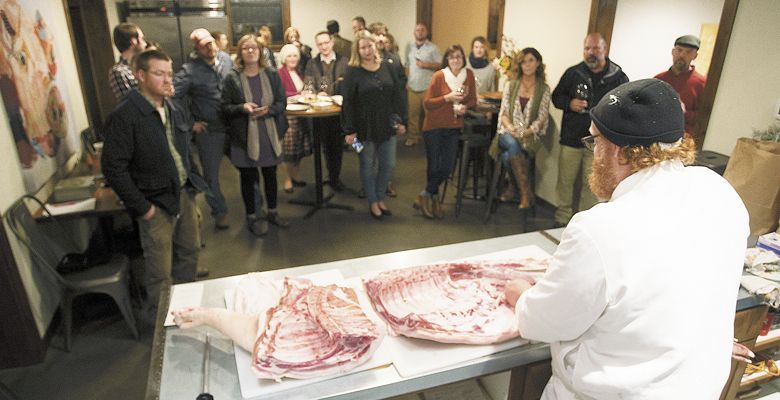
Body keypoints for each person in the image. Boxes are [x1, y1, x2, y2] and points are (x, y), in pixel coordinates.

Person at [505, 78, 749, 399]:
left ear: (618, 152)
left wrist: (522, 296)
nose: (594, 155)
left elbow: (545, 322)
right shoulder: (720, 192)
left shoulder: (599, 228)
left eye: (595, 142)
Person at [102, 49, 207, 312]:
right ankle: (161, 329)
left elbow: (183, 149)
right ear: (140, 75)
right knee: (160, 272)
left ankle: (185, 312)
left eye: (169, 73)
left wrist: (192, 185)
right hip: (154, 202)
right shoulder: (125, 115)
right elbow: (113, 168)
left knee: (189, 253)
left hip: (182, 193)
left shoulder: (172, 107)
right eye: (159, 73)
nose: (167, 79)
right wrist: (142, 208)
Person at [551, 32, 628, 227]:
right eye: (587, 48)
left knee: (592, 186)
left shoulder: (618, 77)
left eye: (595, 48)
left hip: (600, 143)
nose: (590, 52)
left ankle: (586, 225)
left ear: (605, 49)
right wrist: (569, 103)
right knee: (565, 182)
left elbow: (625, 107)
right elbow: (556, 97)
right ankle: (561, 221)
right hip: (571, 138)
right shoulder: (573, 73)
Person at [222, 34, 290, 236]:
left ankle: (272, 212)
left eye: (254, 48)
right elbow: (224, 107)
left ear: (260, 52)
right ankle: (251, 215)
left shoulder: (271, 74)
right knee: (248, 178)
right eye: (245, 48)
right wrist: (242, 107)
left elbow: (281, 102)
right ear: (240, 52)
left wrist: (268, 110)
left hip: (268, 134)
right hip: (244, 136)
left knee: (270, 175)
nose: (250, 51)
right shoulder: (232, 77)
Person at [342, 31, 407, 219]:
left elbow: (397, 96)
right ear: (357, 50)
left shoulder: (387, 67)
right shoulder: (352, 71)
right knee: (367, 164)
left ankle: (380, 197)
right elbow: (348, 103)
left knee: (389, 164)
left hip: (387, 124)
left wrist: (401, 120)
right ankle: (373, 201)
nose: (367, 50)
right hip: (363, 129)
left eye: (369, 45)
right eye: (363, 47)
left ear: (375, 45)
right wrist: (349, 131)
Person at [173, 28, 234, 229]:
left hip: (234, 124)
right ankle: (220, 212)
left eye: (211, 43)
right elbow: (172, 97)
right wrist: (190, 123)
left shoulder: (226, 60)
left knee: (249, 167)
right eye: (204, 45)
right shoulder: (189, 70)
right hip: (210, 131)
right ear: (197, 49)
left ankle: (256, 209)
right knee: (211, 176)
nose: (210, 48)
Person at [413, 44, 476, 219]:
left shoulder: (468, 75)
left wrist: (464, 106)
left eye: (459, 57)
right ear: (447, 60)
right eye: (452, 57)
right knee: (434, 167)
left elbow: (473, 100)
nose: (456, 60)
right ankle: (434, 201)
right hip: (433, 127)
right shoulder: (439, 76)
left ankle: (424, 194)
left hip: (454, 127)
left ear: (464, 59)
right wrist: (447, 98)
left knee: (447, 167)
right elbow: (427, 103)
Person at [489, 48, 551, 209]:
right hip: (507, 133)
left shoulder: (544, 89)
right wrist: (511, 128)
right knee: (511, 142)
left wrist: (527, 132)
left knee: (510, 153)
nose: (527, 64)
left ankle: (513, 187)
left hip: (529, 135)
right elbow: (503, 113)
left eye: (531, 60)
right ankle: (525, 191)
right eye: (523, 61)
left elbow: (543, 117)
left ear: (538, 63)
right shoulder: (511, 85)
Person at [304, 31, 349, 191]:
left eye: (326, 43)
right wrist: (315, 94)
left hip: (340, 113)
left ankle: (335, 177)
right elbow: (308, 87)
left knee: (339, 147)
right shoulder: (312, 63)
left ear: (332, 42)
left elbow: (349, 86)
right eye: (320, 44)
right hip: (320, 113)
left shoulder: (345, 61)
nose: (324, 46)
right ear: (317, 45)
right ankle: (330, 175)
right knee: (325, 146)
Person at [654, 35, 706, 138]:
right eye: (679, 50)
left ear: (695, 56)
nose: (682, 55)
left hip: (684, 142)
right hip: (656, 136)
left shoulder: (701, 84)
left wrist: (683, 113)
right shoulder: (658, 80)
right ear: (673, 52)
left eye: (688, 52)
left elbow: (705, 117)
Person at [277, 44, 312, 193]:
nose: (292, 59)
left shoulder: (299, 72)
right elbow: (279, 94)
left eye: (295, 56)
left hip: (301, 115)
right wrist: (296, 96)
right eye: (289, 56)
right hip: (288, 117)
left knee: (299, 148)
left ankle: (296, 175)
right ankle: (287, 179)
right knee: (287, 151)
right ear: (284, 58)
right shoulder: (279, 73)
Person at [404, 23, 440, 147]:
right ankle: (412, 137)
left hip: (427, 87)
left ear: (426, 32)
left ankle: (431, 138)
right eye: (417, 30)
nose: (419, 32)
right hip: (412, 86)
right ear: (414, 33)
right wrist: (407, 81)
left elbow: (440, 65)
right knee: (412, 115)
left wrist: (426, 65)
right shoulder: (409, 47)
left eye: (422, 30)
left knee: (430, 115)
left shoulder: (433, 48)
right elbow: (407, 65)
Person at [109, 22, 146, 100]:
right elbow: (130, 103)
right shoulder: (119, 71)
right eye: (142, 38)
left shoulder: (144, 64)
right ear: (133, 41)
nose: (145, 43)